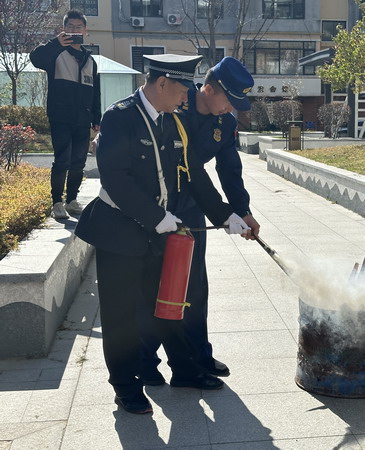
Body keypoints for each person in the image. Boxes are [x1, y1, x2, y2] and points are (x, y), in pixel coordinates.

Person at [74, 54, 251, 415]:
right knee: (122, 315)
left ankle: (184, 369)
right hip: (120, 231)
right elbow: (116, 179)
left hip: (158, 229)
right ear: (161, 83)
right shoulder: (120, 117)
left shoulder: (171, 122)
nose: (187, 95)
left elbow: (193, 174)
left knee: (169, 304)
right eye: (183, 88)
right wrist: (158, 218)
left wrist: (226, 215)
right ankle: (126, 386)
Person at [139, 57, 260, 385]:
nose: (230, 109)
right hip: (160, 204)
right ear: (208, 89)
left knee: (194, 285)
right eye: (228, 100)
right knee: (158, 284)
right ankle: (146, 361)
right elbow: (189, 166)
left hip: (193, 205)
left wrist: (242, 211)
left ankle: (198, 355)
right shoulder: (174, 105)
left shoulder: (226, 123)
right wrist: (223, 214)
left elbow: (230, 170)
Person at [30, 9, 101, 219]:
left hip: (83, 119)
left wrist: (96, 118)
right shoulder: (56, 54)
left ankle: (71, 200)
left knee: (79, 161)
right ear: (64, 29)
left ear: (85, 30)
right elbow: (35, 58)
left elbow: (95, 92)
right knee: (62, 160)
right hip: (60, 117)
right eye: (70, 27)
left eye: (79, 27)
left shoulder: (91, 61)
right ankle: (57, 203)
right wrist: (55, 43)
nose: (75, 30)